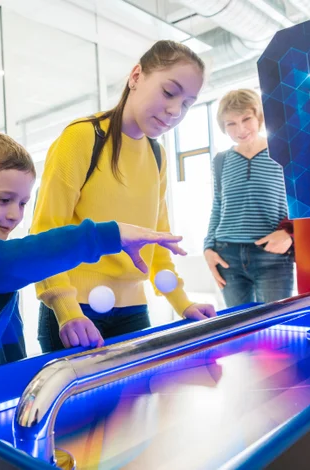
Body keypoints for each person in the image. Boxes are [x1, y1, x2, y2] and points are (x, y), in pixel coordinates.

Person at [0, 131, 188, 381]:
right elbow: (21, 257)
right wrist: (109, 235)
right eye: (3, 200)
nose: (14, 215)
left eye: (23, 202)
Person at [30, 40, 216, 353]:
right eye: (169, 92)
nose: (175, 111)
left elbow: (157, 245)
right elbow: (46, 234)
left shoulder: (158, 155)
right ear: (136, 76)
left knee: (137, 402)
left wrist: (183, 304)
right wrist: (66, 309)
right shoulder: (82, 137)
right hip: (77, 311)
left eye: (187, 104)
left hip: (133, 312)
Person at [203, 89, 294, 307]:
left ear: (259, 118)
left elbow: (305, 203)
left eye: (246, 119)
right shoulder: (221, 160)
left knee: (276, 327)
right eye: (231, 124)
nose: (240, 129)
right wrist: (207, 248)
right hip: (227, 255)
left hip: (271, 256)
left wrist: (291, 234)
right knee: (237, 328)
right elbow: (217, 207)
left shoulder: (284, 152)